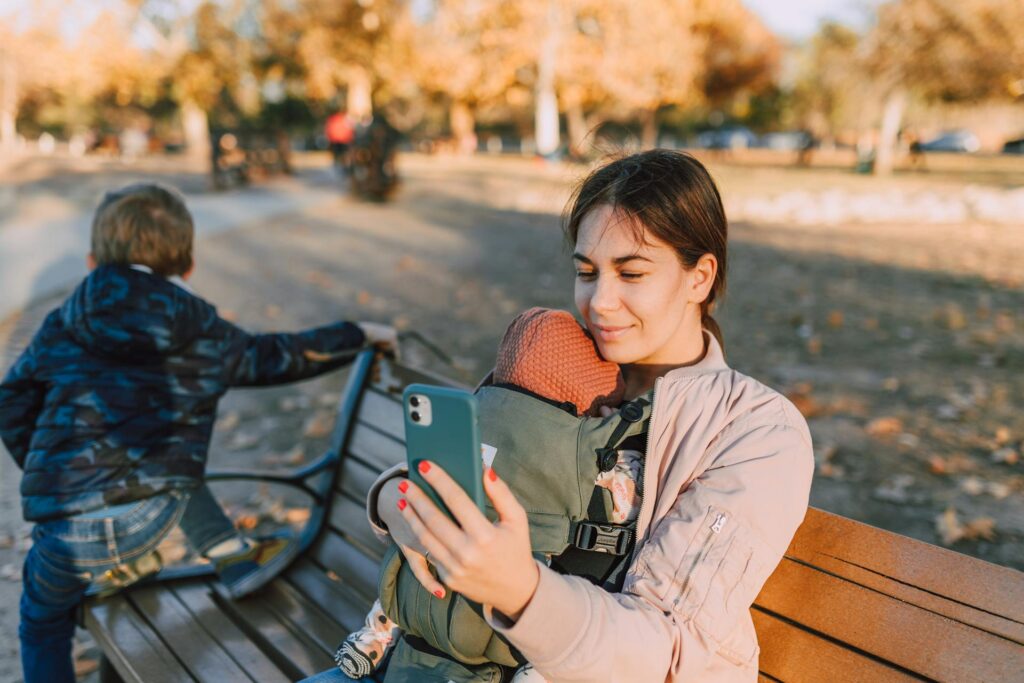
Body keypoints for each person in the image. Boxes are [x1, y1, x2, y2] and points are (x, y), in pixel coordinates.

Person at [304, 149, 814, 682]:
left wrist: (521, 590)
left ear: (699, 278)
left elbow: (670, 648)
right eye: (587, 272)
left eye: (631, 272)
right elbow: (487, 464)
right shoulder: (559, 360)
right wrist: (395, 501)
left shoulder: (753, 428)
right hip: (415, 661)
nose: (600, 303)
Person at [0, 182, 398, 683]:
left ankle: (140, 567)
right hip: (152, 512)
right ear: (186, 267)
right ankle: (215, 554)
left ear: (91, 261)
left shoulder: (64, 322)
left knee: (42, 623)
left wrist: (46, 469)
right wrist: (358, 334)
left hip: (65, 528)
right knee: (165, 454)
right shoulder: (197, 327)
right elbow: (276, 356)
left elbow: (11, 402)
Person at [333, 307, 634, 681]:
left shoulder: (481, 413)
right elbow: (626, 508)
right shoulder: (580, 448)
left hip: (421, 616)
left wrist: (392, 494)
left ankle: (372, 636)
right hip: (503, 630)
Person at [326, 110, 355, 174]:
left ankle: (341, 166)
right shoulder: (342, 119)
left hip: (339, 140)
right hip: (341, 140)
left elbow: (329, 130)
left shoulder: (334, 119)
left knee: (341, 154)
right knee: (342, 154)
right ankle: (341, 166)